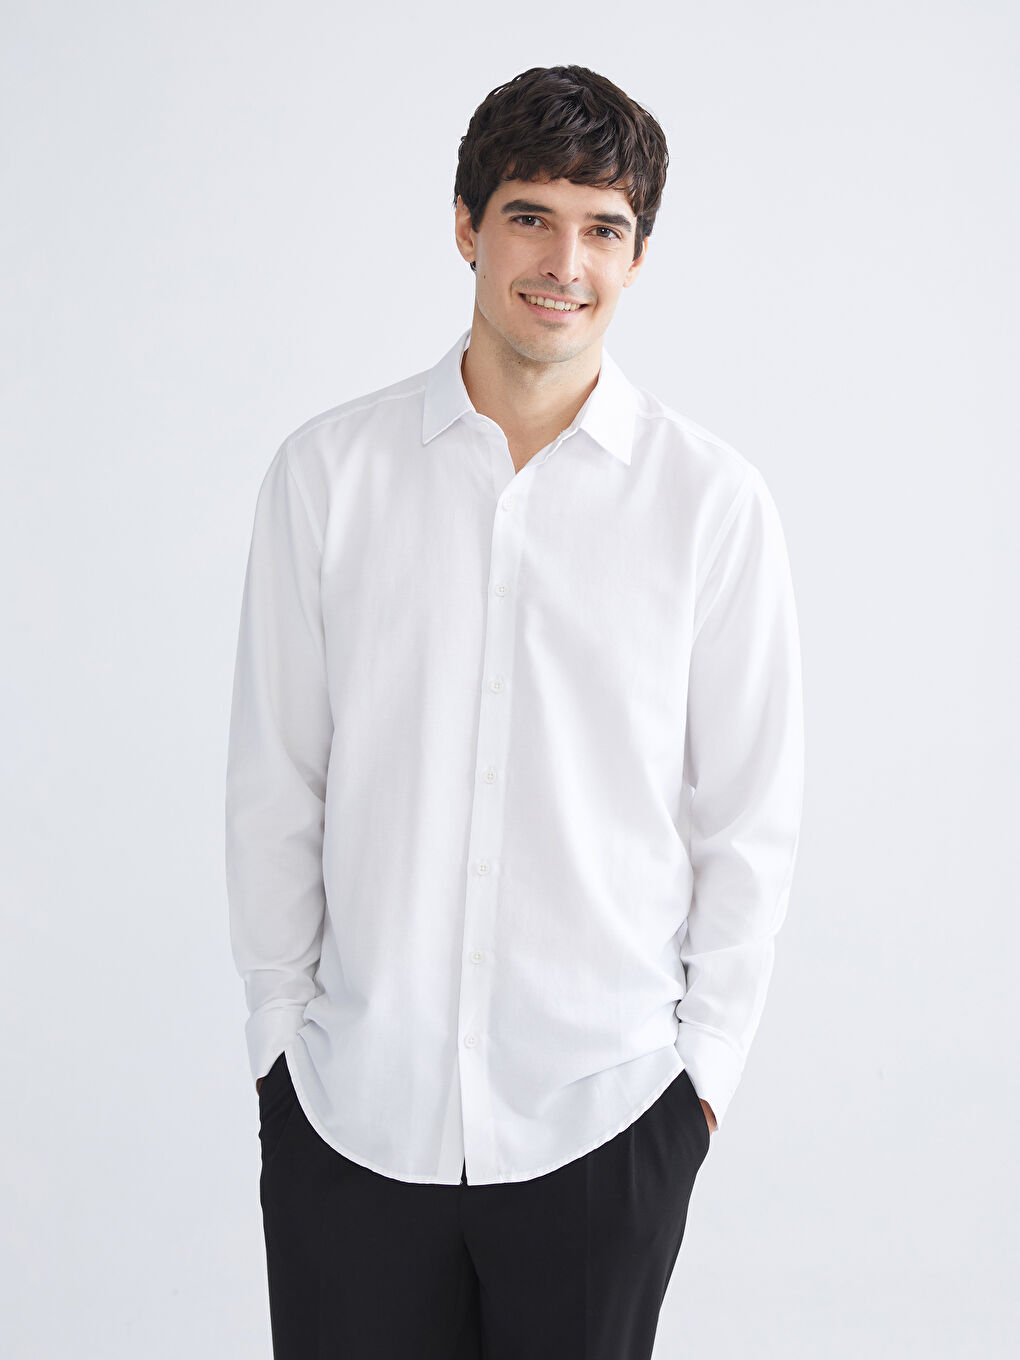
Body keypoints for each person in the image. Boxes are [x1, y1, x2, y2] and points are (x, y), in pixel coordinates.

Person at [225, 63, 804, 1360]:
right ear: (465, 226)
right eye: (531, 216)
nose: (565, 263)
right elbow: (277, 782)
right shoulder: (328, 477)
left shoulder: (709, 505)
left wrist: (702, 1081)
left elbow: (750, 818)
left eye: (604, 228)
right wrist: (278, 1047)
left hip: (605, 1118)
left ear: (639, 255)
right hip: (352, 1115)